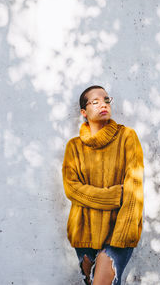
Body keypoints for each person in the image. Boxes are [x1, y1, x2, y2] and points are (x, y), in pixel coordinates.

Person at [62, 85, 144, 285]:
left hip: (118, 231)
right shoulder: (74, 146)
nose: (103, 105)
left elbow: (134, 190)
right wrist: (114, 196)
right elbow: (72, 188)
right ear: (84, 112)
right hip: (83, 233)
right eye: (95, 102)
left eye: (106, 100)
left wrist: (123, 234)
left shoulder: (127, 137)